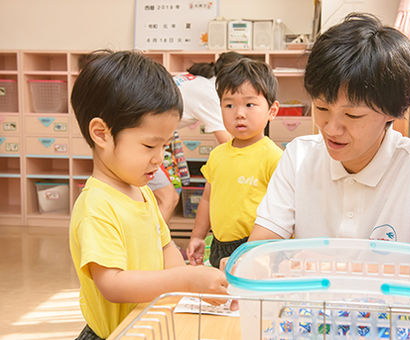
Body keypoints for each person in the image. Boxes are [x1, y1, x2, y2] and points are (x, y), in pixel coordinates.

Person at [246, 13, 410, 305]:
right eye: (322, 108)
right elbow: (258, 252)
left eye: (352, 115)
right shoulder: (299, 157)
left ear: (395, 111)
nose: (331, 129)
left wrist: (346, 269)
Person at [69, 50, 229, 340]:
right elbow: (113, 284)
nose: (159, 159)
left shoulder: (141, 190)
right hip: (113, 333)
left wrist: (190, 289)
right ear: (102, 134)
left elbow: (165, 246)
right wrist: (186, 280)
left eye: (165, 146)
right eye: (149, 146)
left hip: (146, 323)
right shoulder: (96, 206)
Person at [186, 58, 283, 268]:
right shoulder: (218, 155)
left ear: (272, 111)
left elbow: (283, 212)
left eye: (250, 104)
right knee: (222, 296)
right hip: (219, 243)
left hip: (256, 245)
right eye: (229, 105)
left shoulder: (274, 157)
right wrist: (198, 236)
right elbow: (207, 199)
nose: (239, 113)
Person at [149, 51, 245, 223]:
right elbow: (228, 143)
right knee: (168, 197)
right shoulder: (208, 93)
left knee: (160, 196)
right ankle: (155, 246)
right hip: (145, 139)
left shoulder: (197, 80)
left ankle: (157, 243)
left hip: (148, 137)